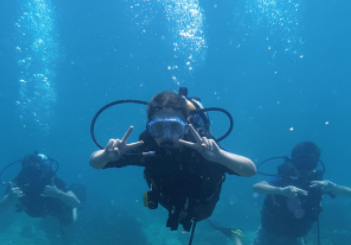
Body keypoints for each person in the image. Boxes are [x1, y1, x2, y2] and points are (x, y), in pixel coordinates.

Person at [89, 90, 256, 231]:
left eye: (175, 127)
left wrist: (220, 156)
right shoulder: (147, 145)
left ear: (187, 124)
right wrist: (106, 155)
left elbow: (250, 170)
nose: (166, 135)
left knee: (199, 215)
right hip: (167, 201)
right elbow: (94, 163)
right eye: (158, 127)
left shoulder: (202, 144)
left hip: (202, 204)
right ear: (149, 126)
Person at [211, 141, 351, 245]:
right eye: (301, 162)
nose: (304, 168)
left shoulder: (320, 184)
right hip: (269, 233)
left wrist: (334, 187)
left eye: (310, 163)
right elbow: (257, 187)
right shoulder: (282, 178)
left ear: (316, 164)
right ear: (292, 162)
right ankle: (234, 236)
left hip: (295, 236)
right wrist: (281, 190)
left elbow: (349, 193)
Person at [0, 152, 83, 226]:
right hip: (35, 211)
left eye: (35, 171)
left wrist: (58, 193)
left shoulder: (51, 178)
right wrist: (10, 198)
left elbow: (76, 203)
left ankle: (75, 204)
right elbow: (1, 210)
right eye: (28, 171)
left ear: (42, 168)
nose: (32, 175)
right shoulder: (17, 182)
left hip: (55, 208)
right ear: (23, 170)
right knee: (33, 213)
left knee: (68, 222)